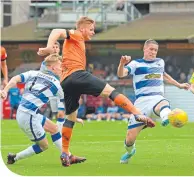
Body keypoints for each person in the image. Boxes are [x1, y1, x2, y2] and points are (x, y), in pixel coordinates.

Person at [37, 16, 155, 167]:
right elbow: (56, 30)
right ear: (83, 29)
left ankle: (65, 154)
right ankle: (137, 113)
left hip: (66, 82)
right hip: (78, 75)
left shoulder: (76, 41)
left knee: (71, 118)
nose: (93, 32)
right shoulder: (77, 34)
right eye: (91, 29)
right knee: (111, 92)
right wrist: (49, 47)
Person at [117, 39, 190, 164]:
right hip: (141, 103)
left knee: (163, 104)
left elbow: (164, 75)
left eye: (155, 50)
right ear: (144, 49)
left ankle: (166, 117)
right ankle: (130, 151)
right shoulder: (136, 64)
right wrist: (122, 63)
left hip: (157, 97)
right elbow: (121, 74)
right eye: (151, 49)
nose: (153, 52)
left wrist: (179, 85)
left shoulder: (160, 62)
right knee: (129, 139)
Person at [0, 54, 83, 164]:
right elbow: (66, 104)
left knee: (54, 129)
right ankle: (14, 158)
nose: (61, 68)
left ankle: (68, 155)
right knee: (43, 146)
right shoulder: (57, 84)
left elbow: (15, 78)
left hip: (28, 113)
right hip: (28, 116)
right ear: (52, 67)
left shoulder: (33, 73)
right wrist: (74, 117)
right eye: (60, 66)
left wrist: (5, 90)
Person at [40, 41, 65, 132]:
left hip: (61, 91)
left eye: (56, 47)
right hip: (49, 91)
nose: (55, 49)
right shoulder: (45, 63)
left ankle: (59, 135)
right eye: (53, 47)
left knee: (60, 113)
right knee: (52, 114)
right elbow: (42, 76)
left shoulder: (63, 61)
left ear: (59, 49)